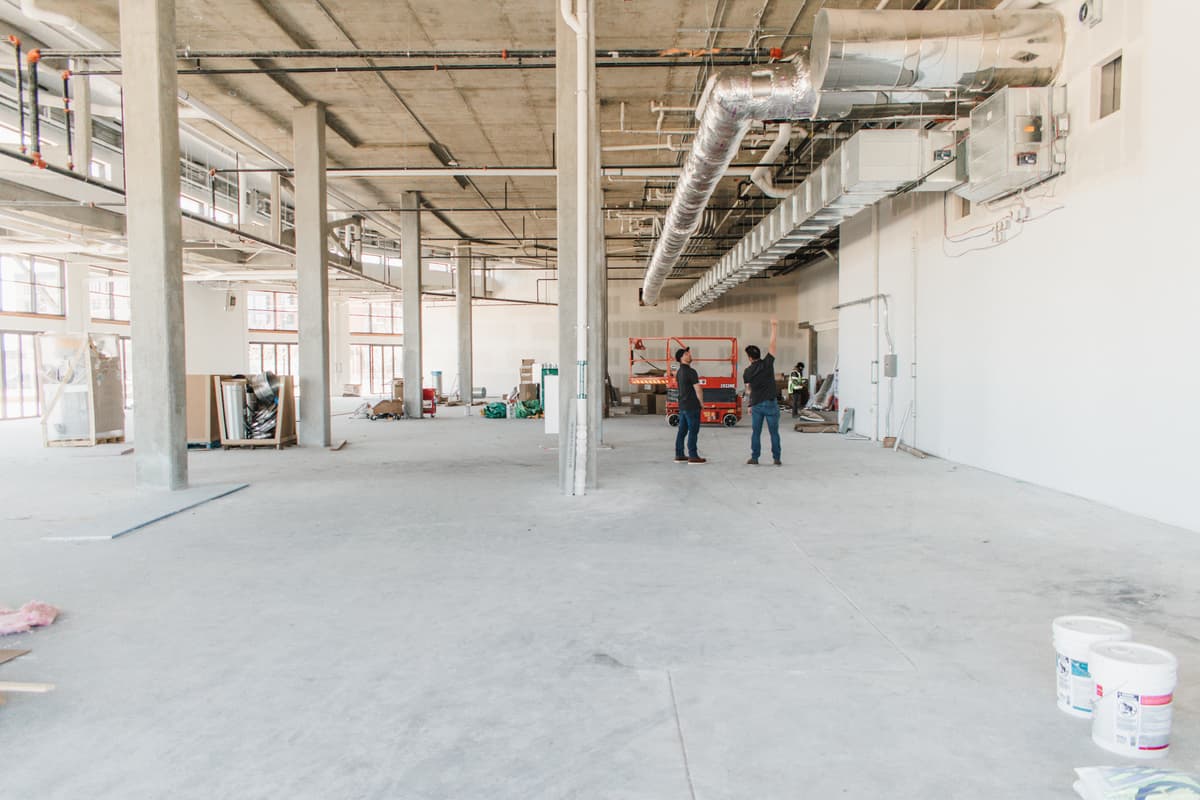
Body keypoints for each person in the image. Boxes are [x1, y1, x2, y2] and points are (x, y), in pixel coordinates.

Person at [744, 321, 781, 465]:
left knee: (756, 432)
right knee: (774, 433)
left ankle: (755, 457)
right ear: (759, 354)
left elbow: (748, 390)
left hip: (757, 405)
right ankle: (776, 458)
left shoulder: (747, 372)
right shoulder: (767, 363)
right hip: (771, 404)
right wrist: (774, 327)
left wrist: (749, 404)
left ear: (749, 357)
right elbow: (772, 345)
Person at [673, 346, 706, 465]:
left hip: (682, 405)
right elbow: (698, 389)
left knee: (682, 431)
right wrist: (701, 403)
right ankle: (693, 456)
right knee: (693, 430)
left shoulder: (679, 372)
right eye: (686, 354)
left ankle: (679, 454)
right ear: (681, 358)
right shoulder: (691, 372)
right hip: (692, 405)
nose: (689, 355)